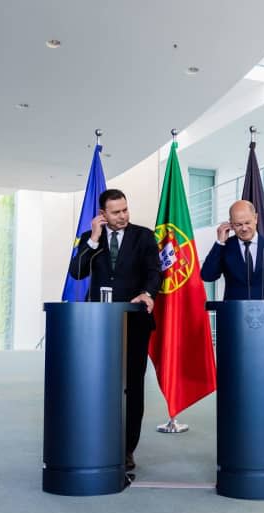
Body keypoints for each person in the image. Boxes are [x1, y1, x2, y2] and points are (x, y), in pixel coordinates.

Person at [69, 189, 160, 472]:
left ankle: (127, 449)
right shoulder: (90, 239)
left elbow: (154, 271)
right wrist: (94, 239)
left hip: (134, 322)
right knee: (99, 383)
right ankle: (97, 440)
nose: (122, 216)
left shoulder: (143, 236)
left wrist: (147, 293)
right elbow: (78, 272)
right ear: (103, 215)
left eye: (125, 210)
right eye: (116, 212)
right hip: (98, 326)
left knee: (132, 386)